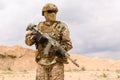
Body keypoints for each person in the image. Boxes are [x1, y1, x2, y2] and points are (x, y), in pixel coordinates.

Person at [25, 3, 73, 80]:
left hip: (56, 62)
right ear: (44, 13)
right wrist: (36, 37)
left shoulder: (61, 26)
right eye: (50, 11)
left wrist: (61, 49)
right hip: (42, 62)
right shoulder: (39, 26)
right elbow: (28, 42)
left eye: (55, 12)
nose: (53, 13)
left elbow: (69, 44)